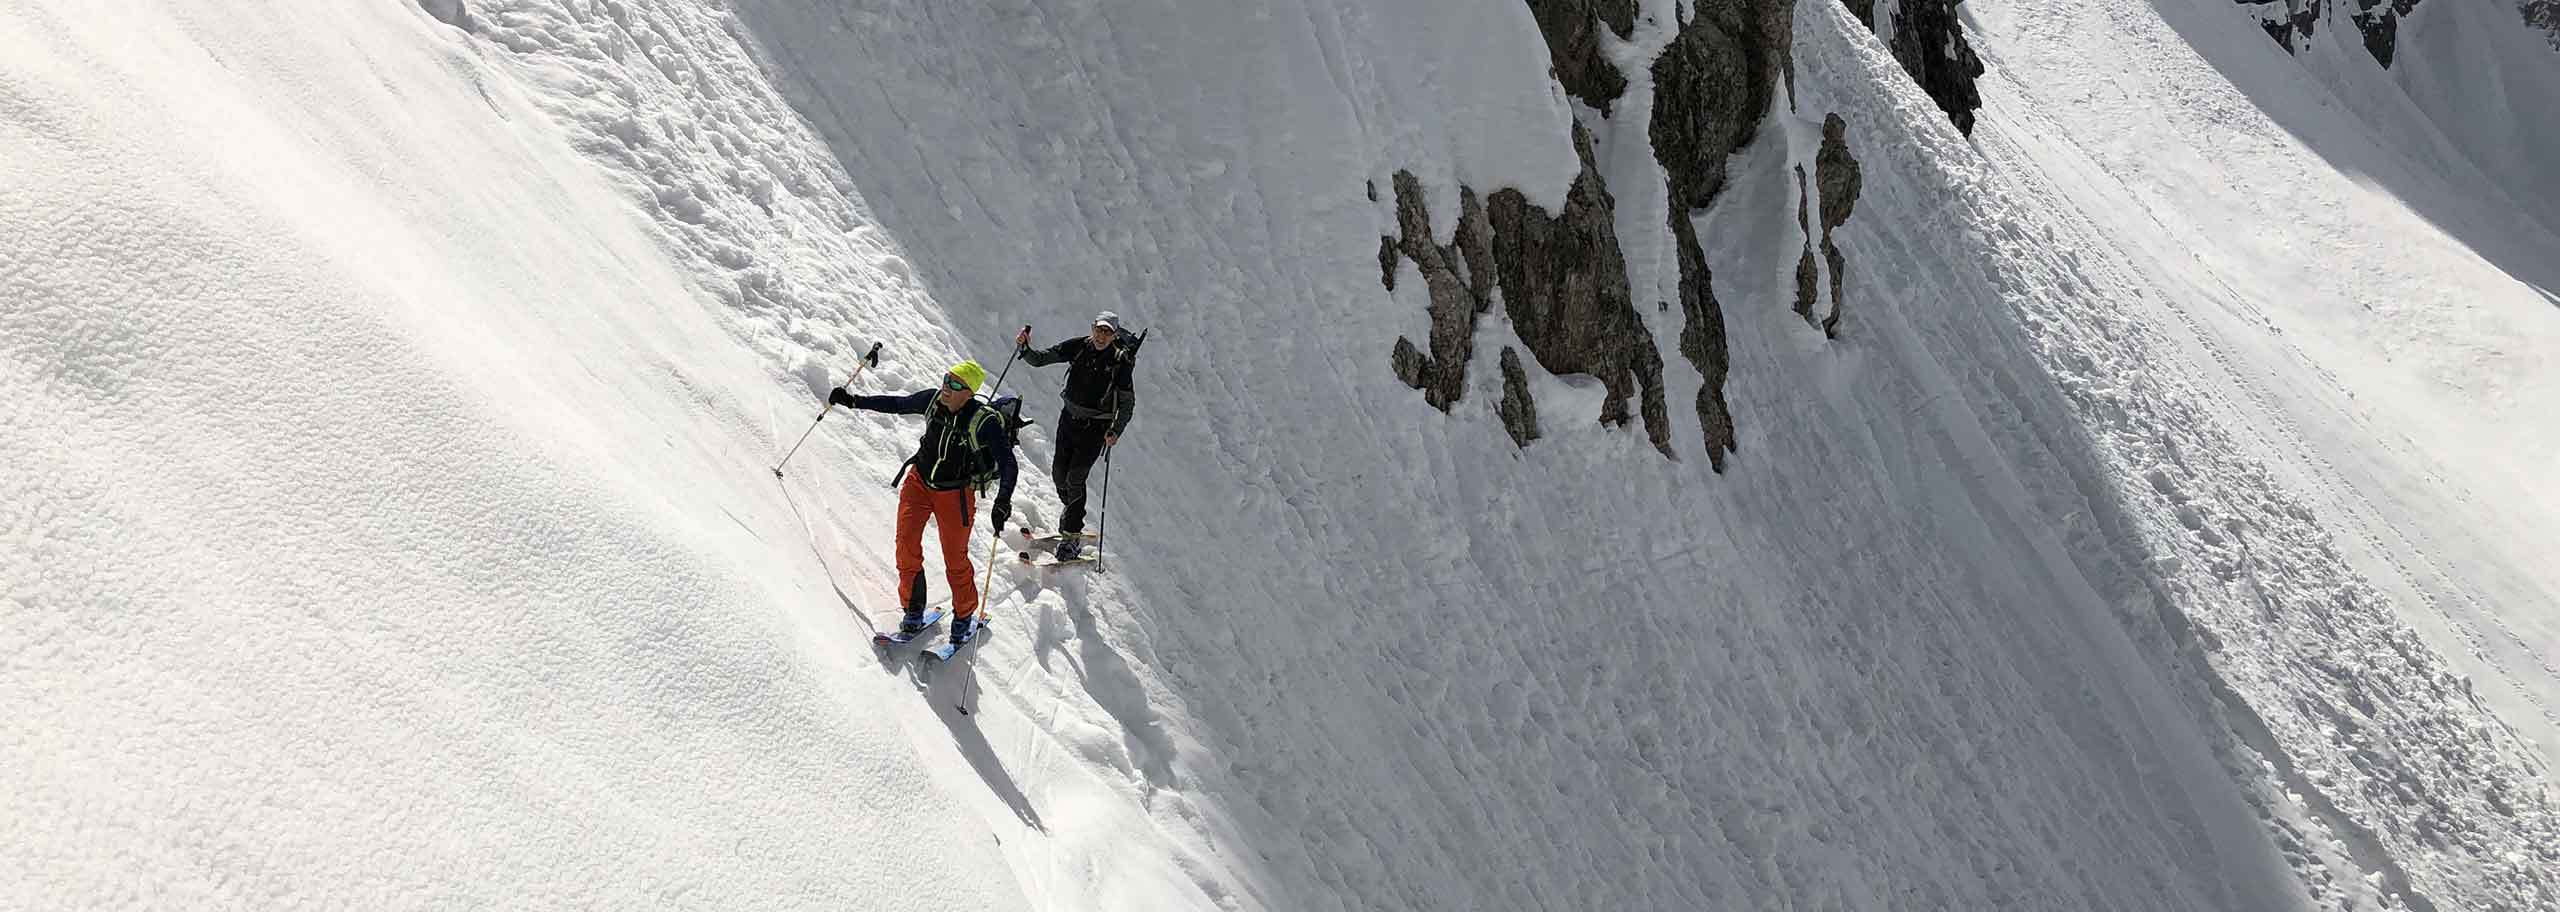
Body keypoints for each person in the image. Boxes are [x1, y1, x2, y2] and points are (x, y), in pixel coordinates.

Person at [828, 360, 1018, 644]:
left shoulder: (983, 422)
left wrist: (1003, 500)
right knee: (905, 546)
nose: (946, 387)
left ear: (969, 392)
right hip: (918, 483)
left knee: (955, 559)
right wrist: (854, 401)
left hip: (955, 495)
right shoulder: (933, 400)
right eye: (946, 379)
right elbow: (897, 404)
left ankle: (965, 616)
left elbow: (1008, 463)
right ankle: (913, 611)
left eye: (955, 384)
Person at [1013, 311, 1136, 561]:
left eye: (1107, 332)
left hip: (1096, 428)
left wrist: (1116, 431)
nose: (1102, 336)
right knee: (1059, 474)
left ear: (1114, 336)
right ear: (1093, 328)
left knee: (1075, 477)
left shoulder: (1119, 362)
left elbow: (1127, 402)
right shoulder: (1079, 346)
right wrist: (1025, 349)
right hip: (1068, 420)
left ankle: (1071, 537)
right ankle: (1072, 514)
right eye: (1099, 330)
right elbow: (1042, 359)